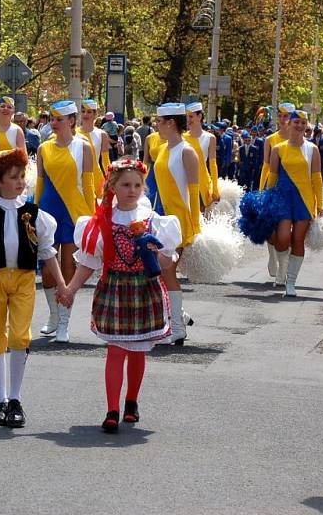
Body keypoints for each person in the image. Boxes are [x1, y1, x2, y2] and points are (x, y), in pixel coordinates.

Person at [65, 159, 181, 433]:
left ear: (143, 188)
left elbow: (167, 264)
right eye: (126, 185)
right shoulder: (102, 219)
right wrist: (70, 288)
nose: (132, 190)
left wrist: (156, 253)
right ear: (113, 187)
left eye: (137, 185)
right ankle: (111, 408)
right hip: (115, 288)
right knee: (116, 350)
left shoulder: (153, 221)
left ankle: (131, 401)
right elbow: (89, 261)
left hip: (144, 289)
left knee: (138, 350)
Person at [0, 148, 65, 427]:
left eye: (22, 176)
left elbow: (47, 251)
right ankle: (1, 400)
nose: (20, 181)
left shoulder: (34, 214)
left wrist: (63, 285)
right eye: (13, 176)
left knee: (20, 336)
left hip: (23, 279)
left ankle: (16, 398)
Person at [35, 100, 95, 342]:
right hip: (48, 212)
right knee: (49, 272)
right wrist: (33, 215)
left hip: (75, 214)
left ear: (71, 121)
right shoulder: (43, 149)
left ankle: (63, 322)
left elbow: (89, 186)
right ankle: (52, 314)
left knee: (69, 269)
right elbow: (39, 185)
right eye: (52, 118)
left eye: (59, 119)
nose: (54, 123)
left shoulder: (85, 147)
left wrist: (92, 219)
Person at [151, 103, 200, 345]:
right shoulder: (161, 149)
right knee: (158, 272)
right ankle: (177, 316)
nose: (156, 126)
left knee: (167, 269)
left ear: (170, 122)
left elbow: (193, 192)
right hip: (162, 219)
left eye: (159, 122)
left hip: (180, 220)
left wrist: (194, 227)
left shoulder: (187, 151)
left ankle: (177, 328)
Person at [266, 110, 323, 296]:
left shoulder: (312, 149)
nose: (299, 126)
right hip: (283, 200)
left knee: (298, 241)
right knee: (282, 239)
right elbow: (272, 177)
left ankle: (290, 283)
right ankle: (282, 266)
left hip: (304, 201)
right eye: (296, 122)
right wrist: (266, 200)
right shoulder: (278, 149)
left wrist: (320, 204)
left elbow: (317, 178)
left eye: (303, 122)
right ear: (289, 123)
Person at [260, 102, 294, 278]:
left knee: (287, 228)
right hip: (273, 186)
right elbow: (266, 166)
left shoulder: (300, 141)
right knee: (270, 225)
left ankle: (284, 265)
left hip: (292, 188)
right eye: (280, 115)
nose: (282, 119)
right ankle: (272, 256)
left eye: (286, 115)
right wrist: (261, 190)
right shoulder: (270, 139)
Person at [183, 102, 219, 209]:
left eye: (191, 116)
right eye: (187, 117)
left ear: (199, 116)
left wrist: (215, 188)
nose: (188, 120)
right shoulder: (182, 137)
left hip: (203, 182)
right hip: (185, 182)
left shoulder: (210, 138)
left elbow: (213, 164)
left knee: (203, 217)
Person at [78, 99, 111, 197]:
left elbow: (105, 161)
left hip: (97, 177)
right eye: (83, 111)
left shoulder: (102, 134)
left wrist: (110, 179)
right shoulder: (74, 134)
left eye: (89, 112)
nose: (85, 114)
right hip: (79, 177)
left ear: (95, 114)